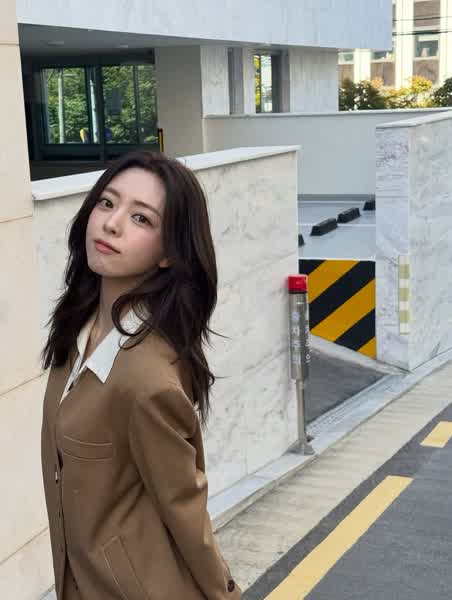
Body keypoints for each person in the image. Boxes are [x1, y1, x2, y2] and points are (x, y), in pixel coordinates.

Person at [40, 151, 242, 600]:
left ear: (169, 252)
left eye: (141, 218)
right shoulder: (76, 333)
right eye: (107, 203)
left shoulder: (147, 380)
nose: (112, 224)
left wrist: (226, 593)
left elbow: (186, 509)